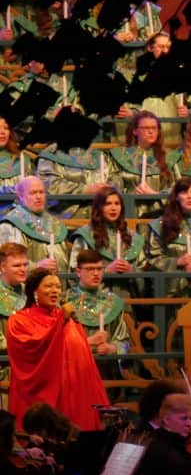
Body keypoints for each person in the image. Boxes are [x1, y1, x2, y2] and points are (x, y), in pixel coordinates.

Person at [6, 268, 109, 430]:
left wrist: (98, 398)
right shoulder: (19, 321)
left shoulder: (70, 319)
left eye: (58, 287)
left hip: (76, 394)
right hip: (47, 397)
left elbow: (84, 358)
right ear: (34, 291)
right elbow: (35, 349)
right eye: (48, 286)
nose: (55, 291)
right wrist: (61, 321)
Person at [69, 186, 145, 272]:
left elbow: (143, 273)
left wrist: (131, 270)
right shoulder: (86, 235)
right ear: (98, 208)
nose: (113, 208)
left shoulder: (133, 237)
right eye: (108, 204)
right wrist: (106, 270)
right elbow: (75, 271)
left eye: (117, 203)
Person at [0, 176, 68, 272]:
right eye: (33, 193)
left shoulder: (54, 223)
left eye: (41, 192)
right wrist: (36, 266)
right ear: (21, 196)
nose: (38, 197)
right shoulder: (11, 225)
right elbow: (8, 262)